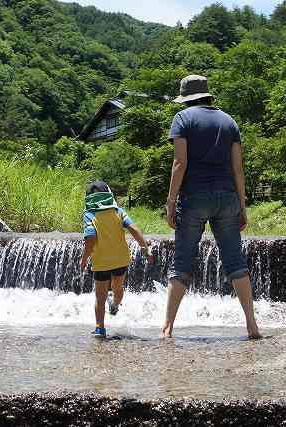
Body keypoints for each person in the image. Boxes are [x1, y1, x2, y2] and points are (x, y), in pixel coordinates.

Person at [162, 74, 261, 339]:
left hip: (194, 197)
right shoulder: (229, 121)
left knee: (182, 261)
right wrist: (242, 204)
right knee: (235, 262)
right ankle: (252, 326)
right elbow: (238, 168)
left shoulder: (183, 119)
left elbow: (179, 163)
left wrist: (171, 202)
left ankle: (167, 328)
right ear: (207, 95)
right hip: (227, 197)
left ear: (187, 98)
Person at [80, 180, 152, 338]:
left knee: (100, 296)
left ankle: (99, 328)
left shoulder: (89, 215)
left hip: (101, 261)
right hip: (120, 259)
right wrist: (145, 248)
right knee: (118, 287)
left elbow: (90, 238)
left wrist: (84, 258)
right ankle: (115, 305)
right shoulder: (119, 212)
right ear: (109, 195)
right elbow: (133, 229)